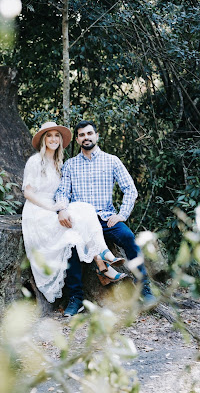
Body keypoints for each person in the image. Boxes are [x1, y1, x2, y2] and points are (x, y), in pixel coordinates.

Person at [55, 120, 156, 316]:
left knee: (128, 238)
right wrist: (62, 210)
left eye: (89, 133)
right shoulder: (70, 165)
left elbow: (130, 189)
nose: (86, 137)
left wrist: (122, 215)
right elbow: (62, 193)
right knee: (71, 248)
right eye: (82, 135)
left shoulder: (112, 160)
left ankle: (144, 289)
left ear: (96, 136)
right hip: (81, 221)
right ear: (77, 139)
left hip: (106, 218)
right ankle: (76, 298)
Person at [22, 121, 127, 305]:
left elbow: (62, 193)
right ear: (43, 140)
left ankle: (103, 260)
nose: (53, 139)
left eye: (56, 135)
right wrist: (52, 208)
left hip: (54, 208)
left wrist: (59, 207)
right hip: (38, 213)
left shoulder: (58, 163)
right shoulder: (35, 161)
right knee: (74, 230)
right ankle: (102, 262)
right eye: (49, 135)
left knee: (83, 211)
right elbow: (28, 193)